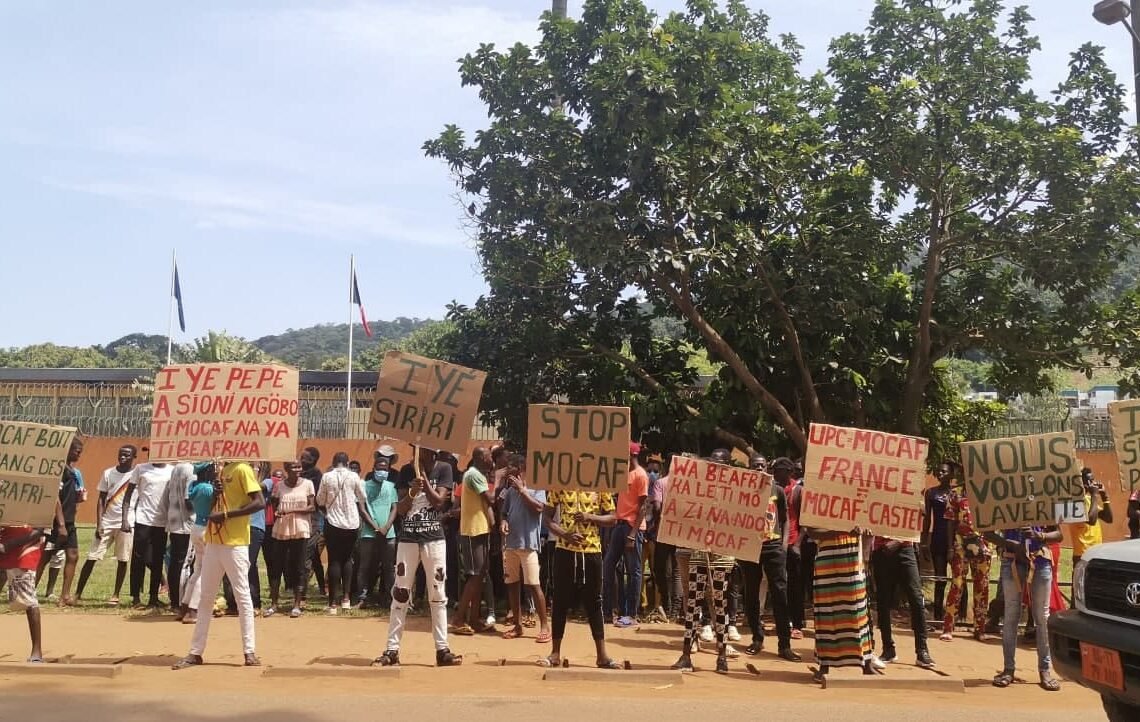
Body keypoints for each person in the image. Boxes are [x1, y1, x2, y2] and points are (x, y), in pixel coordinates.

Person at [373, 443, 462, 668]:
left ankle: (442, 649)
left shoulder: (443, 469)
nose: (417, 453)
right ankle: (392, 649)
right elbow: (402, 509)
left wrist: (424, 480)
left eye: (421, 449)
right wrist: (412, 490)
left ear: (432, 451)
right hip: (409, 538)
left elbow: (440, 503)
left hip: (434, 538)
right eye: (415, 449)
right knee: (401, 592)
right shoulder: (405, 471)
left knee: (438, 593)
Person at [172, 459, 266, 670]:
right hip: (214, 541)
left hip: (235, 543)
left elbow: (259, 502)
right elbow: (211, 505)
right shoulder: (220, 471)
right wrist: (214, 493)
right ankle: (195, 652)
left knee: (242, 597)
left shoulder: (243, 469)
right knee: (206, 597)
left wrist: (226, 515)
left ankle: (249, 651)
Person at [672, 450, 739, 674]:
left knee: (719, 604)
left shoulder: (734, 494)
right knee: (693, 602)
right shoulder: (702, 490)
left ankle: (721, 654)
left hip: (722, 556)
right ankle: (686, 653)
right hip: (699, 553)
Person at [541, 485, 621, 669]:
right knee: (560, 599)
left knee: (594, 601)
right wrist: (564, 534)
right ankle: (555, 653)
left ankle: (602, 655)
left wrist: (590, 517)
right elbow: (546, 517)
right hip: (565, 549)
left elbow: (613, 518)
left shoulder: (601, 486)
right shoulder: (560, 485)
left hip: (591, 550)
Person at [985, 525, 1064, 692]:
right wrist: (1012, 545)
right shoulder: (1004, 501)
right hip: (1011, 560)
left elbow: (1058, 534)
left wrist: (1039, 535)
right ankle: (1008, 669)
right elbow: (988, 533)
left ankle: (1045, 670)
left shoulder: (1043, 502)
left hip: (1040, 561)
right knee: (1011, 615)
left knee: (1042, 617)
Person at [741, 455, 801, 661]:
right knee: (751, 594)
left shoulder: (776, 490)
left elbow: (785, 519)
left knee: (780, 595)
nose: (758, 468)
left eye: (761, 465)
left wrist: (784, 544)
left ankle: (784, 645)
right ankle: (757, 638)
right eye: (754, 465)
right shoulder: (742, 491)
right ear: (749, 468)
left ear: (767, 468)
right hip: (750, 548)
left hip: (774, 547)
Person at [810, 528, 876, 680]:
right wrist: (840, 530)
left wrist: (863, 532)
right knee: (827, 611)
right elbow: (811, 532)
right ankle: (824, 664)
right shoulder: (815, 504)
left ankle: (866, 662)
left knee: (858, 609)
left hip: (852, 556)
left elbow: (870, 525)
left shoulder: (858, 504)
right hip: (826, 559)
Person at [499, 453, 550, 642]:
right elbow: (504, 513)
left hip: (528, 544)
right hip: (511, 543)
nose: (512, 471)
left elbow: (538, 508)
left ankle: (544, 625)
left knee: (534, 585)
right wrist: (503, 522)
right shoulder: (510, 491)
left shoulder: (537, 487)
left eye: (516, 467)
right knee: (512, 584)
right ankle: (517, 625)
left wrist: (523, 490)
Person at [316, 451, 376, 614]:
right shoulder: (354, 477)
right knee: (348, 559)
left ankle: (333, 604)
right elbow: (362, 497)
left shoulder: (327, 477)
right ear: (348, 463)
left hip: (333, 523)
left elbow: (320, 499)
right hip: (352, 523)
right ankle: (346, 599)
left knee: (334, 560)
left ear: (334, 462)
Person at [76, 444, 136, 604]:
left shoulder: (137, 475)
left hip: (126, 522)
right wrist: (99, 523)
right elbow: (101, 499)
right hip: (107, 521)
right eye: (121, 454)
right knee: (92, 557)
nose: (123, 457)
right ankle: (77, 593)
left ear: (133, 457)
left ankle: (116, 594)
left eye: (127, 455)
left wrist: (130, 521)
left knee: (123, 559)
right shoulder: (108, 473)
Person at [941, 464, 992, 642]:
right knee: (957, 584)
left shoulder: (989, 492)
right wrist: (949, 547)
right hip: (961, 544)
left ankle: (980, 628)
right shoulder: (956, 493)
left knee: (982, 586)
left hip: (983, 545)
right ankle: (948, 627)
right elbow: (949, 522)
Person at [604, 442, 650, 629]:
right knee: (609, 566)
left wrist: (632, 534)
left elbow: (643, 507)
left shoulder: (641, 475)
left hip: (633, 527)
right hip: (619, 524)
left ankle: (631, 613)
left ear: (631, 455)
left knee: (634, 572)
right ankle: (610, 610)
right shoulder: (623, 473)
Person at [870, 535, 935, 668]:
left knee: (916, 599)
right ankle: (888, 648)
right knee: (883, 601)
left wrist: (898, 541)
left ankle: (922, 650)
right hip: (881, 550)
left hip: (905, 548)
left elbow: (917, 520)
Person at [452, 447, 496, 634]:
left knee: (480, 576)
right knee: (474, 575)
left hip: (481, 529)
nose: (491, 459)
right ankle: (459, 619)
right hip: (472, 531)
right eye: (488, 456)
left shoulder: (478, 475)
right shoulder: (474, 475)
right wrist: (499, 478)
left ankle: (474, 618)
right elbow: (491, 499)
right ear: (479, 458)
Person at [36, 437, 84, 606]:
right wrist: (61, 524)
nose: (78, 454)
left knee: (73, 555)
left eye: (80, 452)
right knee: (44, 557)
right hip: (57, 522)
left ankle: (64, 596)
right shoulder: (60, 469)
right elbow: (55, 497)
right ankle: (28, 593)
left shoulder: (72, 470)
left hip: (70, 521)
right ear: (67, 450)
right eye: (76, 451)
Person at [121, 456, 173, 608]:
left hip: (162, 522)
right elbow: (128, 494)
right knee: (138, 559)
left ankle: (153, 598)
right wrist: (125, 518)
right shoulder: (141, 468)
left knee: (157, 560)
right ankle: (136, 598)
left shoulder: (172, 470)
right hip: (143, 519)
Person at [267, 460, 315, 617]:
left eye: (299, 466)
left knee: (299, 567)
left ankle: (296, 605)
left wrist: (291, 510)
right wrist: (277, 511)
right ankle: (274, 604)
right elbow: (274, 504)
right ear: (287, 469)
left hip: (301, 530)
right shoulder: (279, 486)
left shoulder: (308, 484)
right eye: (294, 467)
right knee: (277, 567)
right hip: (282, 530)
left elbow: (311, 507)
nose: (297, 469)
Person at [355, 451, 399, 608]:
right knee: (364, 566)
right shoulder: (364, 486)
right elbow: (362, 508)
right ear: (374, 468)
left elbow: (395, 508)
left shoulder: (391, 486)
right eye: (380, 467)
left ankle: (390, 598)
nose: (383, 471)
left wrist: (386, 526)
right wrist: (375, 527)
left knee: (389, 568)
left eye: (385, 468)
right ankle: (362, 598)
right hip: (368, 533)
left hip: (389, 534)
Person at [0, 524, 47, 661]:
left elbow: (42, 529)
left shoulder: (40, 504)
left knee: (28, 600)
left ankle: (36, 651)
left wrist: (9, 545)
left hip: (23, 552)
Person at [178, 463, 216, 625]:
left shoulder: (195, 487)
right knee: (204, 572)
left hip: (196, 528)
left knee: (197, 570)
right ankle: (193, 610)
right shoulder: (208, 489)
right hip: (207, 528)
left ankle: (184, 607)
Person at [922, 462, 954, 621]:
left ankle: (956, 616)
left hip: (956, 539)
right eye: (939, 471)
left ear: (951, 474)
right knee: (940, 578)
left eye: (944, 471)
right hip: (938, 538)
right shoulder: (931, 493)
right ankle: (938, 616)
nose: (940, 473)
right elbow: (927, 518)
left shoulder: (956, 494)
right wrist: (924, 542)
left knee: (958, 579)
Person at [163, 463, 196, 618]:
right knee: (185, 564)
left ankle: (175, 601)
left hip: (174, 521)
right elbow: (189, 499)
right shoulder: (191, 470)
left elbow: (167, 496)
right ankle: (183, 602)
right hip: (187, 524)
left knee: (176, 562)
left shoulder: (176, 468)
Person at [299, 446, 326, 598]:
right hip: (301, 519)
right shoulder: (299, 473)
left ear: (312, 460)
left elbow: (315, 499)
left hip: (312, 520)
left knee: (306, 556)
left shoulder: (315, 475)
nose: (301, 460)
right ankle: (322, 588)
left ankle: (301, 593)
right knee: (314, 556)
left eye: (305, 458)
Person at [1072, 467, 1112, 564]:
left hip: (1096, 551)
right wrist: (1094, 495)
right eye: (1090, 481)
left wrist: (1104, 497)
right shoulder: (1074, 502)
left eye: (1093, 480)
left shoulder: (1089, 499)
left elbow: (1108, 518)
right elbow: (1091, 520)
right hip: (1082, 554)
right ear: (1082, 483)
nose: (1093, 483)